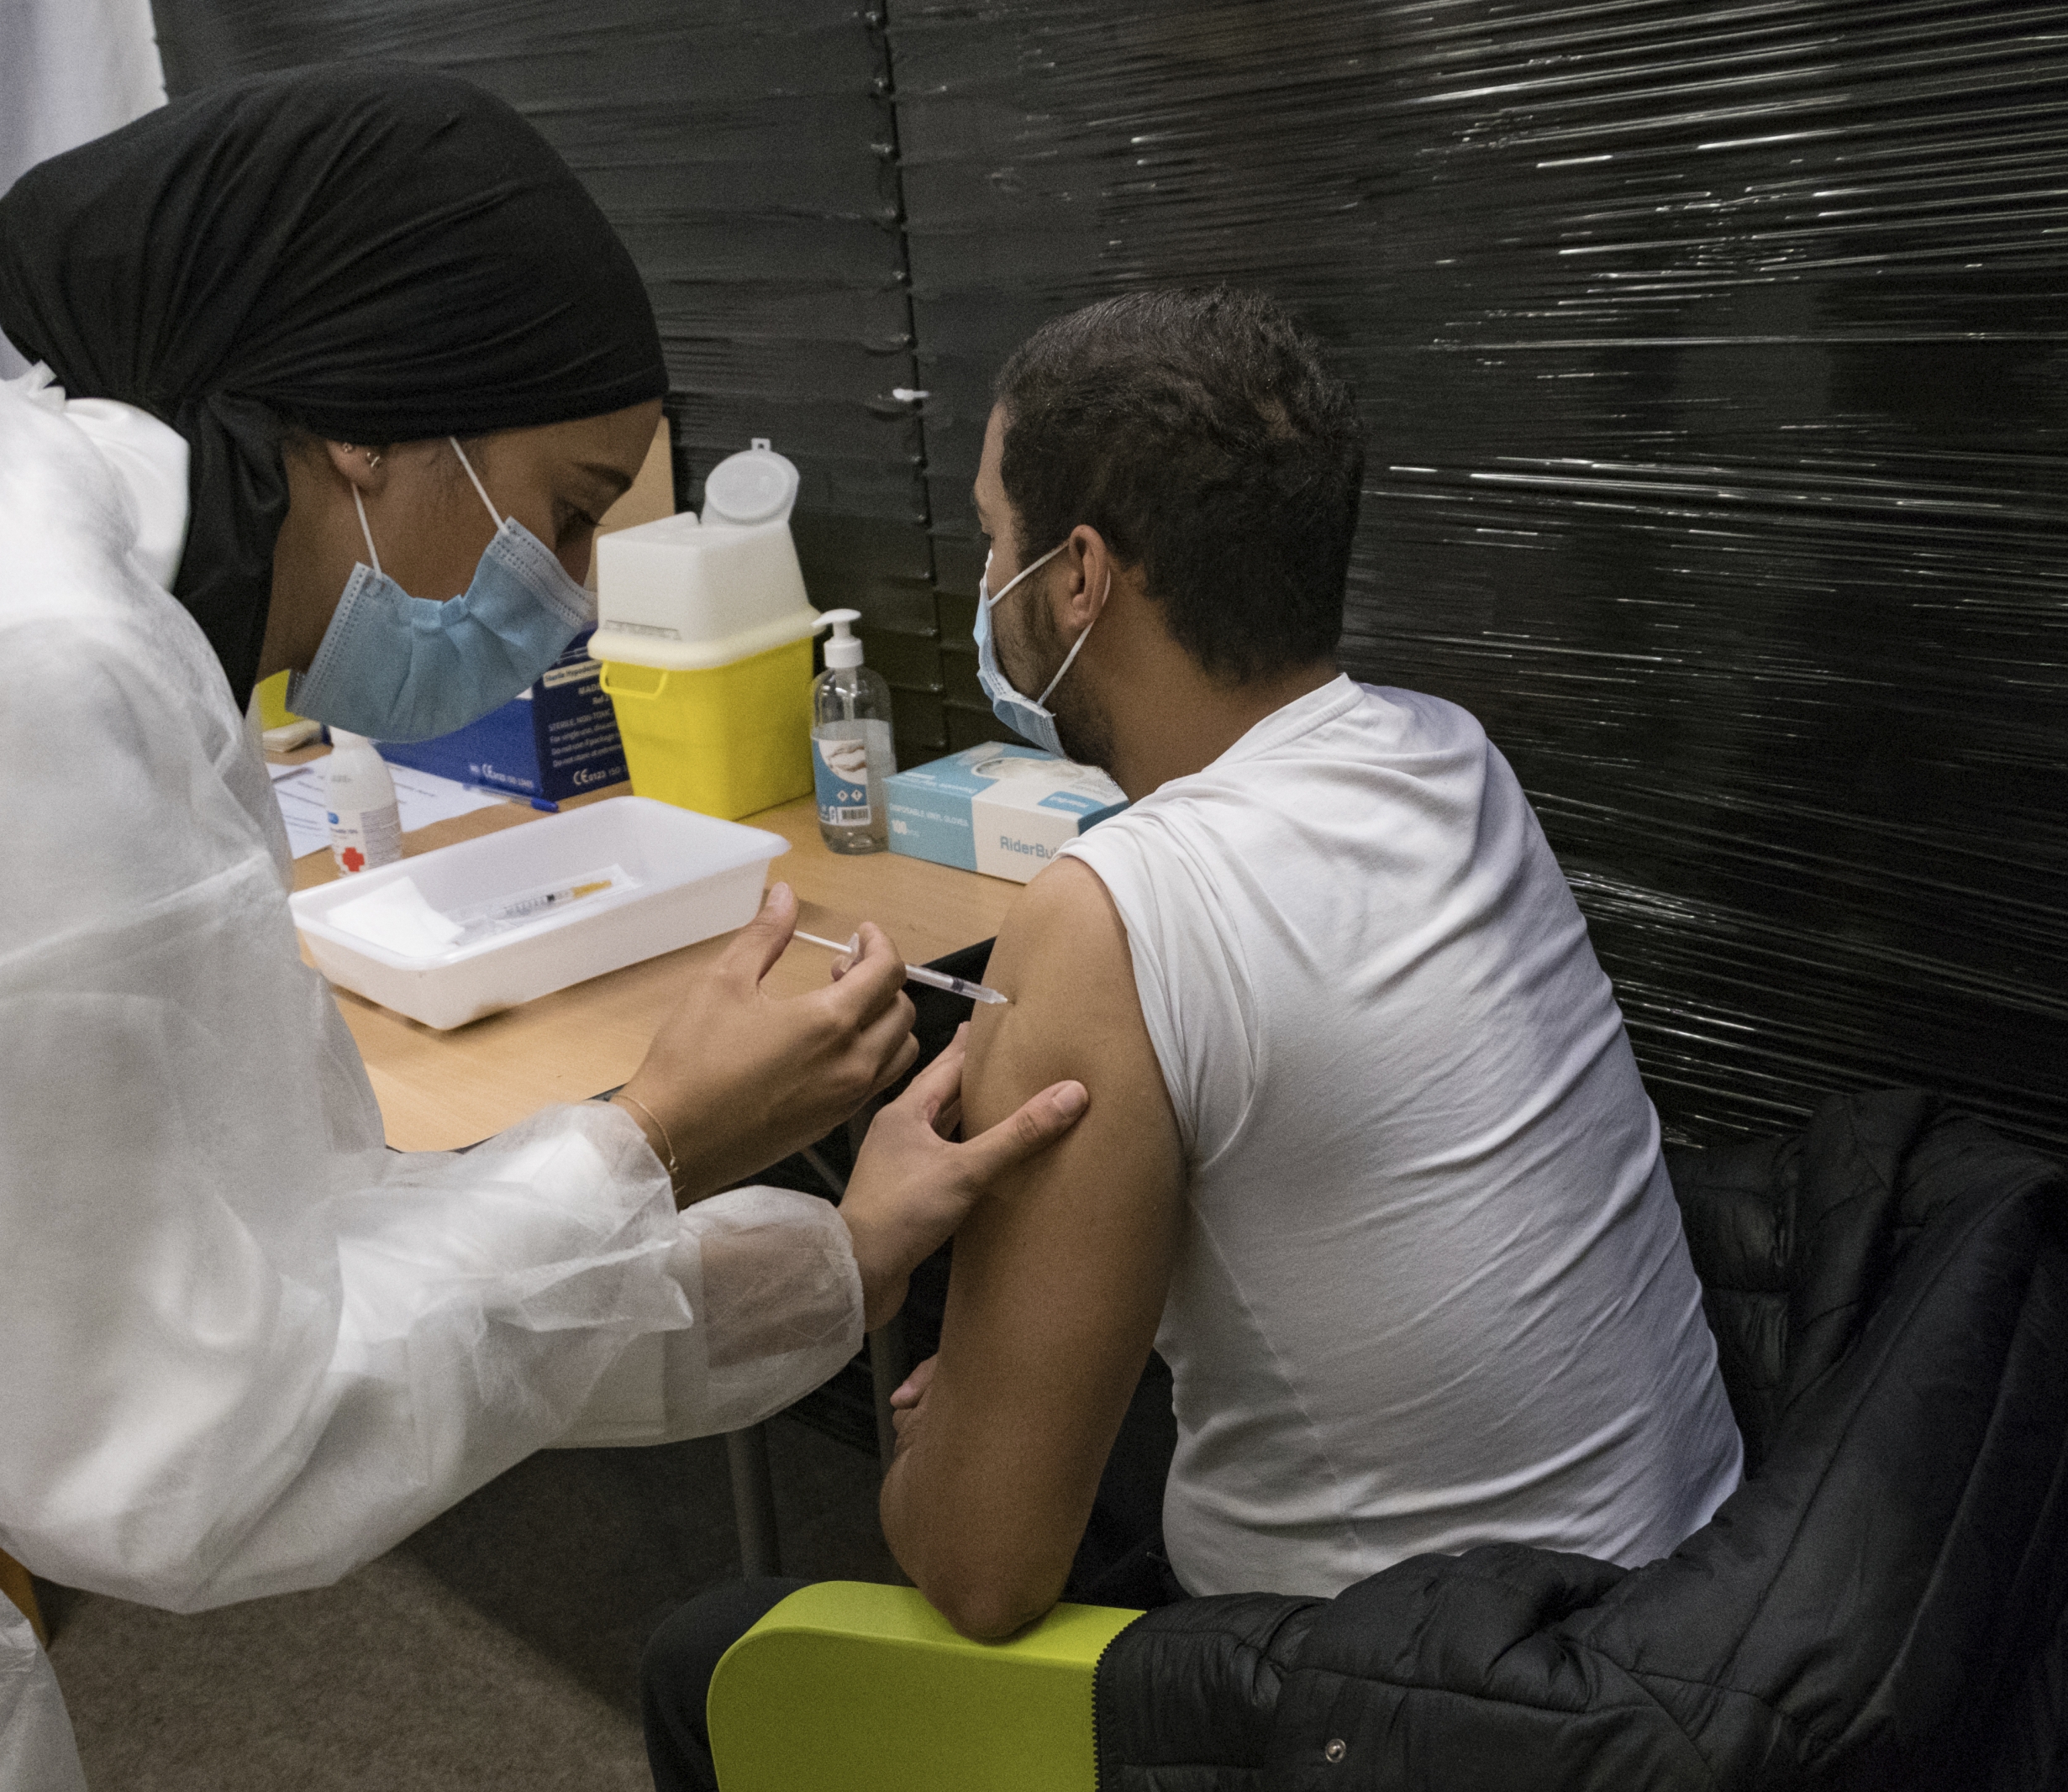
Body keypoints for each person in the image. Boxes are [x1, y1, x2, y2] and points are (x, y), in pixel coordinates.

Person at [0, 66, 1088, 1787]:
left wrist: (832, 1255)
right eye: (567, 510)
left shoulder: (55, 583)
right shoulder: (1, 659)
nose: (576, 599)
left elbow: (302, 1248)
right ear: (370, 426)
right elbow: (180, 1449)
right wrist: (652, 1134)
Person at [640, 288, 1742, 1789]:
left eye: (994, 540)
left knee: (709, 1661)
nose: (986, 583)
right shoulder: (1447, 753)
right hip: (1693, 1622)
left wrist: (938, 1443)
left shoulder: (1109, 916)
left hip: (1438, 1716)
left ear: (1080, 576)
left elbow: (978, 1571)